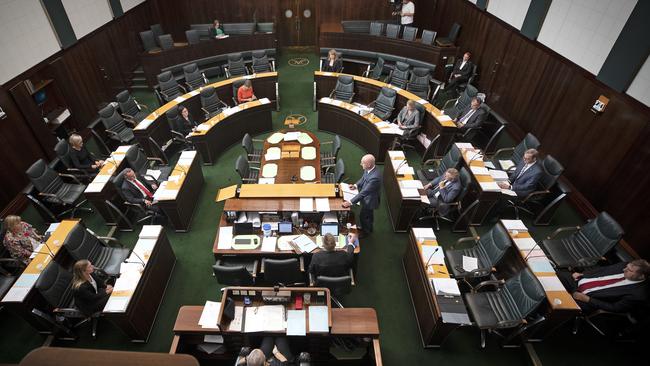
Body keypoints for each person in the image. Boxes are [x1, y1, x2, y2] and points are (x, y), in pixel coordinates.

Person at [559, 260, 649, 314]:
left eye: (630, 270)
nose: (624, 269)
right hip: (578, 281)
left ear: (641, 276)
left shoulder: (637, 295)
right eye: (627, 267)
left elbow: (614, 307)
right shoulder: (624, 265)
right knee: (554, 276)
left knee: (560, 304)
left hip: (589, 299)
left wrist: (587, 299)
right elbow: (602, 270)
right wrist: (582, 274)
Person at [342, 154, 381, 237]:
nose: (360, 164)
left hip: (370, 200)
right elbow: (363, 178)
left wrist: (350, 202)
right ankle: (368, 228)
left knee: (364, 216)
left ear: (369, 164)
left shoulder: (375, 178)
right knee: (368, 215)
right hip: (366, 197)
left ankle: (365, 232)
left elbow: (364, 192)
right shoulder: (369, 168)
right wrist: (356, 185)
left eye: (362, 163)